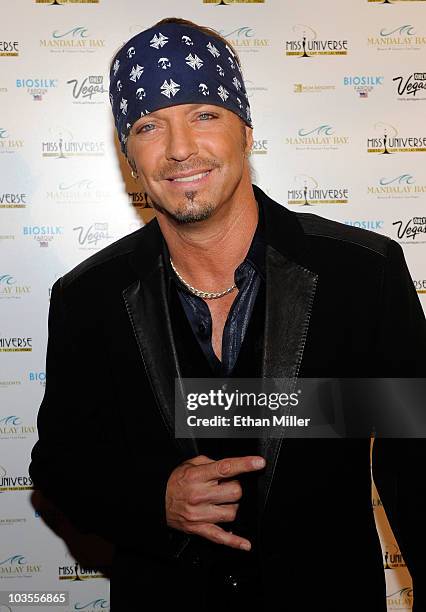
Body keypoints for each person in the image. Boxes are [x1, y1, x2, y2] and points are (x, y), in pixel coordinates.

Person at [29, 17, 426, 612]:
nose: (180, 147)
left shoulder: (361, 274)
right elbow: (61, 464)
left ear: (245, 129)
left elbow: (415, 458)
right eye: (148, 125)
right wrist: (154, 501)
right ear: (129, 156)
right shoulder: (89, 297)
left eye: (204, 114)